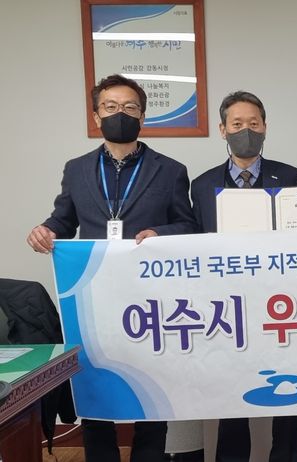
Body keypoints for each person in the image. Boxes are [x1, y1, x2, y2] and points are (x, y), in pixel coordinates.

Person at [27, 74, 196, 462]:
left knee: (154, 382)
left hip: (151, 298)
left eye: (130, 107)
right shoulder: (77, 169)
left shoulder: (170, 169)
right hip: (95, 295)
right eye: (111, 107)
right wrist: (45, 230)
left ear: (143, 116)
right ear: (96, 115)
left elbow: (187, 225)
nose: (121, 113)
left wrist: (160, 233)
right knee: (96, 384)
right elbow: (63, 219)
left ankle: (149, 456)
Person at [191, 91, 297, 462]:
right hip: (228, 307)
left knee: (286, 390)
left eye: (254, 123)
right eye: (237, 124)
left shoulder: (289, 176)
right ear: (222, 129)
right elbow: (194, 242)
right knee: (233, 393)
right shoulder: (202, 185)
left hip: (280, 303)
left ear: (265, 127)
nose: (246, 131)